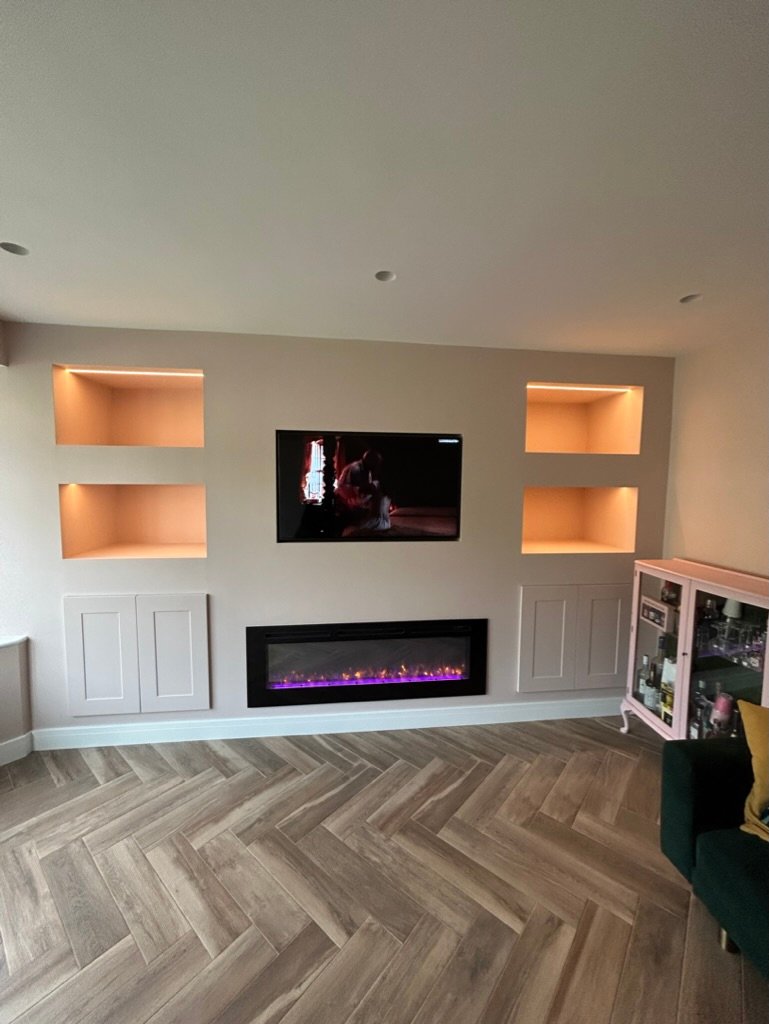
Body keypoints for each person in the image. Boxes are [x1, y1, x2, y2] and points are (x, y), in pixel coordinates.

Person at [335, 449, 391, 531]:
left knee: (380, 493)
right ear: (370, 461)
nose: (377, 466)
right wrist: (375, 491)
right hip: (347, 501)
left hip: (354, 500)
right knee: (381, 495)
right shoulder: (356, 469)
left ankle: (378, 520)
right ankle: (376, 520)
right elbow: (359, 490)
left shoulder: (365, 469)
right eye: (376, 463)